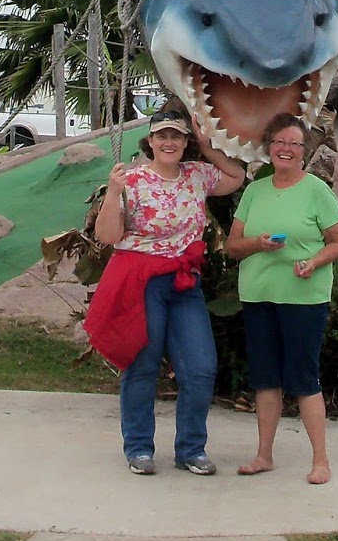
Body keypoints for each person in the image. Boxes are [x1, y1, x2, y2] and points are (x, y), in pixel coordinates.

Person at [87, 109, 244, 476]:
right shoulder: (132, 179)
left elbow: (236, 177)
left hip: (184, 282)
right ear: (151, 141)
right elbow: (108, 235)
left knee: (201, 367)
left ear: (185, 142)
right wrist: (113, 192)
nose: (169, 142)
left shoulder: (197, 175)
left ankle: (191, 448)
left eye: (176, 136)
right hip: (143, 282)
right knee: (143, 364)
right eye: (162, 136)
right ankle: (139, 447)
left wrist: (208, 146)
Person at [226, 112, 338, 485]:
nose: (286, 149)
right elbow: (233, 246)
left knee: (304, 378)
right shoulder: (255, 191)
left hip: (304, 299)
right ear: (269, 147)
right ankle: (263, 455)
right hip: (258, 296)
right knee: (265, 378)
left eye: (294, 144)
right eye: (280, 142)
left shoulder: (317, 191)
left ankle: (321, 461)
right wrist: (258, 243)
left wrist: (314, 262)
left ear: (304, 150)